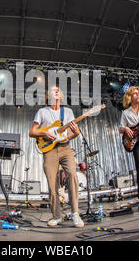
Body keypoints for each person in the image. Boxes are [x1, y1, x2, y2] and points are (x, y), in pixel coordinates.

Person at [29, 85, 84, 227]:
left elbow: (70, 134)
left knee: (72, 174)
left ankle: (75, 213)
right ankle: (56, 216)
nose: (57, 90)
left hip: (65, 148)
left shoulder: (68, 112)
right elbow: (32, 132)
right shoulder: (42, 111)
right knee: (53, 183)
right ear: (49, 95)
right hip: (49, 150)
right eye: (54, 89)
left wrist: (76, 134)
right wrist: (44, 133)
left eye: (58, 89)